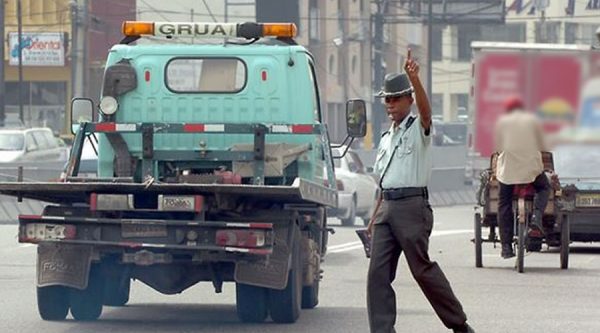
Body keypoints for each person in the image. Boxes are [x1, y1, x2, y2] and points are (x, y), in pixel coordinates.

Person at [366, 49, 474, 333]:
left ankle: (459, 325)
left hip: (412, 207)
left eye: (395, 98)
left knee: (421, 270)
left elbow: (427, 112)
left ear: (408, 100)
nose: (389, 104)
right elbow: (385, 180)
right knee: (377, 275)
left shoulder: (418, 127)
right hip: (387, 208)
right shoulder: (386, 137)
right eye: (386, 99)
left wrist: (415, 80)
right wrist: (373, 217)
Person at [494, 96, 551, 259]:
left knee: (503, 203)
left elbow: (498, 146)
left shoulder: (502, 122)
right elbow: (542, 144)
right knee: (544, 187)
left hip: (509, 171)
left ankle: (506, 247)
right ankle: (536, 216)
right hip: (530, 170)